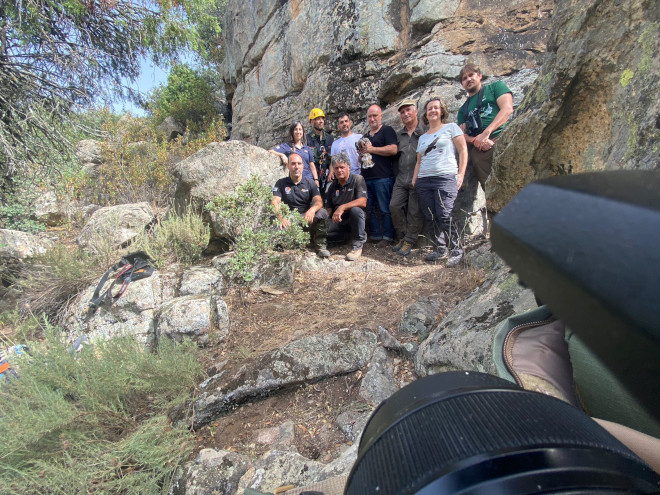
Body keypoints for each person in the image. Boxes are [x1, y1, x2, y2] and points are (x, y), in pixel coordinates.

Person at [412, 98, 468, 266]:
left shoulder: (451, 128)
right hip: (424, 180)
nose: (433, 111)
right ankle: (440, 248)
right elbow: (419, 162)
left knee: (445, 214)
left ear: (442, 111)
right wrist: (415, 180)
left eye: (436, 108)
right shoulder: (422, 137)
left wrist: (461, 174)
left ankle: (457, 250)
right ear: (425, 113)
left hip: (445, 177)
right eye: (430, 108)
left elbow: (463, 150)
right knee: (430, 215)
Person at [456, 63, 513, 189]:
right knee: (491, 187)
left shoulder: (495, 87)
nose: (468, 79)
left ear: (480, 75)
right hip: (481, 149)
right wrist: (476, 140)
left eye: (471, 75)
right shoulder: (462, 110)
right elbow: (460, 135)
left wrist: (486, 134)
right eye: (464, 78)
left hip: (502, 137)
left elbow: (507, 109)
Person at [272, 153, 330, 258]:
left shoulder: (310, 183)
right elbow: (274, 202)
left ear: (303, 166)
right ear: (288, 166)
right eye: (293, 164)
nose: (296, 166)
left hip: (307, 218)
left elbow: (319, 202)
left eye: (299, 163)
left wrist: (312, 210)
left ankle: (320, 245)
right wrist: (281, 218)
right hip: (290, 220)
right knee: (279, 237)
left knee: (323, 213)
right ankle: (294, 245)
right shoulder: (280, 183)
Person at [359, 104, 398, 245]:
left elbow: (393, 149)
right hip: (366, 177)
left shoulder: (387, 131)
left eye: (375, 115)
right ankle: (375, 234)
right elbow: (363, 157)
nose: (372, 118)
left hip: (383, 177)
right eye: (369, 116)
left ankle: (388, 236)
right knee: (369, 208)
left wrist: (372, 149)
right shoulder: (365, 136)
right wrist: (361, 154)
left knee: (384, 208)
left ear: (381, 116)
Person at [390, 99, 425, 256]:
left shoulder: (424, 132)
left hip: (418, 178)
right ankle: (403, 237)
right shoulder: (398, 136)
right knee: (394, 206)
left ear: (416, 111)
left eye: (408, 110)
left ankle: (410, 240)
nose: (405, 114)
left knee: (414, 211)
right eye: (402, 112)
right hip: (401, 178)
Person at [325, 152, 368, 261]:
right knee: (323, 230)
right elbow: (329, 208)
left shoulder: (358, 179)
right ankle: (344, 238)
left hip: (355, 219)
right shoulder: (333, 186)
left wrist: (342, 207)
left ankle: (358, 246)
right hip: (339, 221)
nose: (339, 170)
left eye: (342, 167)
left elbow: (363, 201)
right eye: (336, 168)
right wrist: (321, 222)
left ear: (349, 167)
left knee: (356, 210)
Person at [269, 121, 320, 187]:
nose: (298, 132)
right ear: (292, 132)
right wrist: (282, 155)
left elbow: (312, 165)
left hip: (309, 180)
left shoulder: (307, 148)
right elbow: (271, 151)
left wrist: (316, 180)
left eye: (300, 129)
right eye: (296, 129)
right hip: (295, 182)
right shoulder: (287, 146)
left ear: (303, 132)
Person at [307, 108, 334, 196]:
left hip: (327, 176)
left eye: (322, 119)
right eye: (318, 119)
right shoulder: (307, 139)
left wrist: (331, 172)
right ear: (312, 122)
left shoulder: (330, 138)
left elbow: (332, 157)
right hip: (312, 177)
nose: (321, 121)